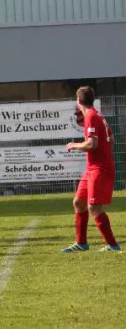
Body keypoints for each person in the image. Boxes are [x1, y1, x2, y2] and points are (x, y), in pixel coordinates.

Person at [62, 86, 121, 252]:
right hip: (93, 168)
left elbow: (91, 144)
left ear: (79, 100)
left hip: (99, 169)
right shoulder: (97, 115)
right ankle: (81, 243)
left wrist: (74, 145)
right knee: (78, 202)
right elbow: (111, 139)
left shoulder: (92, 117)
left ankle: (113, 245)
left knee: (94, 207)